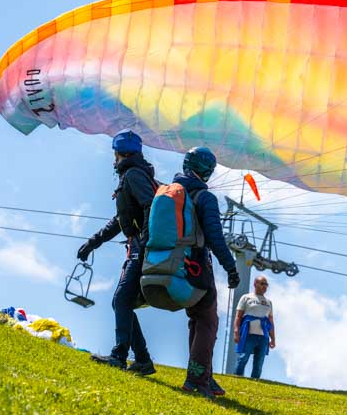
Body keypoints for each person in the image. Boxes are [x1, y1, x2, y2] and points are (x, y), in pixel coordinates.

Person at [77, 130, 158, 375]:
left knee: (121, 300)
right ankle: (142, 360)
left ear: (118, 153)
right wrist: (93, 243)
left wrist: (145, 241)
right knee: (123, 302)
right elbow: (120, 219)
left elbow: (149, 205)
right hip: (139, 244)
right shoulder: (133, 175)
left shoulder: (133, 175)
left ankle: (119, 356)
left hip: (141, 246)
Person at [172, 146, 240, 397]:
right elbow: (214, 237)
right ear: (208, 170)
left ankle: (204, 375)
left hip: (173, 262)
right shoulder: (204, 197)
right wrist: (231, 267)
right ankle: (197, 380)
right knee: (208, 321)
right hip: (197, 265)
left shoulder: (172, 192)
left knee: (198, 319)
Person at [233, 276, 275, 379]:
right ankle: (237, 378)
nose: (264, 286)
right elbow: (238, 316)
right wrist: (236, 332)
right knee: (243, 358)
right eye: (262, 284)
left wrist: (273, 338)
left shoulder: (269, 302)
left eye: (266, 284)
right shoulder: (246, 298)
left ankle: (255, 380)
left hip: (263, 337)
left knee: (259, 362)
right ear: (255, 283)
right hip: (248, 334)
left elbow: (270, 321)